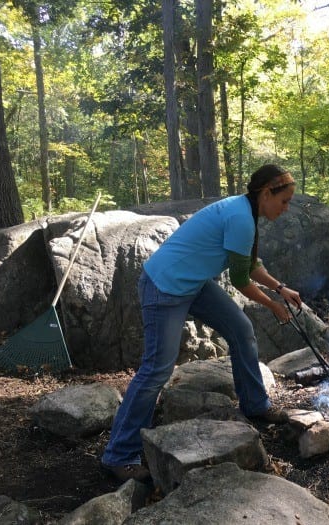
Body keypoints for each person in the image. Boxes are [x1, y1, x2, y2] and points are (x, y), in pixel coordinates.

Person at [100, 164, 302, 483]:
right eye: (284, 201)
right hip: (164, 286)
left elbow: (250, 264)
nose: (286, 208)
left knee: (241, 330)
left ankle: (254, 404)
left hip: (192, 284)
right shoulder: (240, 217)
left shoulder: (246, 212)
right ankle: (118, 455)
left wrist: (280, 288)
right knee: (156, 369)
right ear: (266, 193)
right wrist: (273, 304)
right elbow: (239, 279)